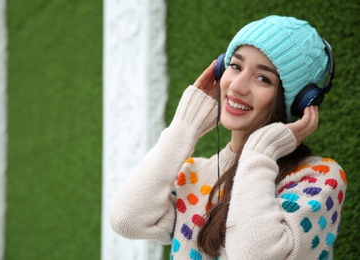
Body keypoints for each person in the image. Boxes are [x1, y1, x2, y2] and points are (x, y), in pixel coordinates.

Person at [109, 15, 347, 260]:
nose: (237, 86)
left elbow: (254, 255)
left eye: (263, 78)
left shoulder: (319, 178)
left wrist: (260, 152)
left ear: (299, 102)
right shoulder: (194, 175)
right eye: (235, 66)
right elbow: (127, 220)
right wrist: (184, 126)